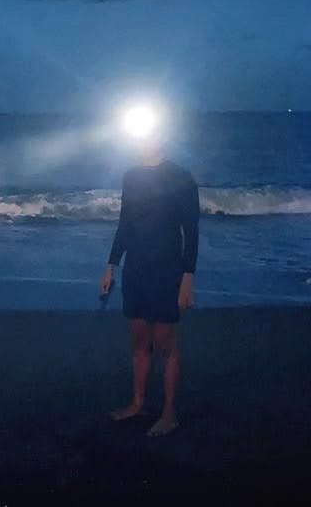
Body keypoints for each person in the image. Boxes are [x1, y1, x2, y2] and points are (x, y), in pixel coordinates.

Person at [100, 139, 199, 437]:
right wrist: (111, 265)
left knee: (165, 342)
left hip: (167, 270)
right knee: (140, 340)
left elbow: (191, 230)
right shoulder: (131, 176)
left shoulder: (181, 177)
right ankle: (138, 403)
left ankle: (169, 413)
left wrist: (188, 276)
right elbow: (124, 224)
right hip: (135, 269)